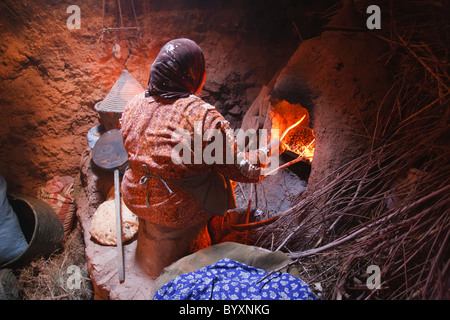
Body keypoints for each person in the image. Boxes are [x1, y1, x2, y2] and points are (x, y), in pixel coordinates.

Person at [120, 38, 285, 278]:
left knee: (203, 159)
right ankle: (212, 231)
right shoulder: (202, 115)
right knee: (221, 174)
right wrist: (266, 154)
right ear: (195, 74)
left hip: (134, 196)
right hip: (176, 208)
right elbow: (242, 171)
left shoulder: (133, 104)